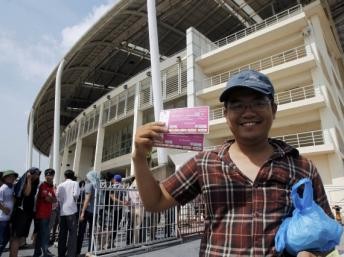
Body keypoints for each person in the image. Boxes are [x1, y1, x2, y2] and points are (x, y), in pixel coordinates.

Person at [132, 69, 334, 257]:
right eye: (237, 105)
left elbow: (327, 231)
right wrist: (140, 158)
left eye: (258, 103)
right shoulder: (204, 163)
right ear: (226, 115)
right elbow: (155, 201)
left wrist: (313, 253)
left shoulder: (302, 167)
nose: (248, 112)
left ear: (273, 109)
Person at [10, 167, 41, 257]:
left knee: (19, 237)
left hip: (26, 212)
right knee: (15, 237)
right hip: (20, 212)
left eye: (38, 174)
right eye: (35, 174)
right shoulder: (25, 181)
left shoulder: (34, 183)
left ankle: (14, 254)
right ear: (29, 174)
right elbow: (26, 193)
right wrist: (28, 179)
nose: (37, 176)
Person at [33, 168, 56, 257]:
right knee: (44, 235)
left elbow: (54, 199)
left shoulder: (50, 186)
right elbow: (47, 199)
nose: (50, 176)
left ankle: (37, 252)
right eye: (48, 175)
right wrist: (50, 199)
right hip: (41, 215)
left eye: (52, 175)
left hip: (47, 214)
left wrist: (50, 198)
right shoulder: (42, 185)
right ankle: (45, 252)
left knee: (41, 235)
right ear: (45, 176)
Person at [57, 169, 80, 257]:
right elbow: (76, 195)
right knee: (72, 234)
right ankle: (70, 254)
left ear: (65, 176)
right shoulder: (75, 183)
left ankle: (61, 254)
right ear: (73, 175)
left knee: (62, 234)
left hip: (63, 211)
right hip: (72, 210)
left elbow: (58, 197)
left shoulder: (60, 185)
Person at [77, 171, 97, 255]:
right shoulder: (97, 185)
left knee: (81, 232)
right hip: (95, 211)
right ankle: (90, 250)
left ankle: (77, 250)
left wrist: (82, 212)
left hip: (87, 210)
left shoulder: (89, 184)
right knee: (92, 232)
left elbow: (87, 199)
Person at [0, 170, 18, 256]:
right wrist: (4, 209)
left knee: (6, 239)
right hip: (2, 218)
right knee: (2, 240)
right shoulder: (2, 188)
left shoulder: (12, 187)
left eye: (13, 177)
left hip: (8, 218)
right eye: (10, 177)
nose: (12, 178)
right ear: (5, 178)